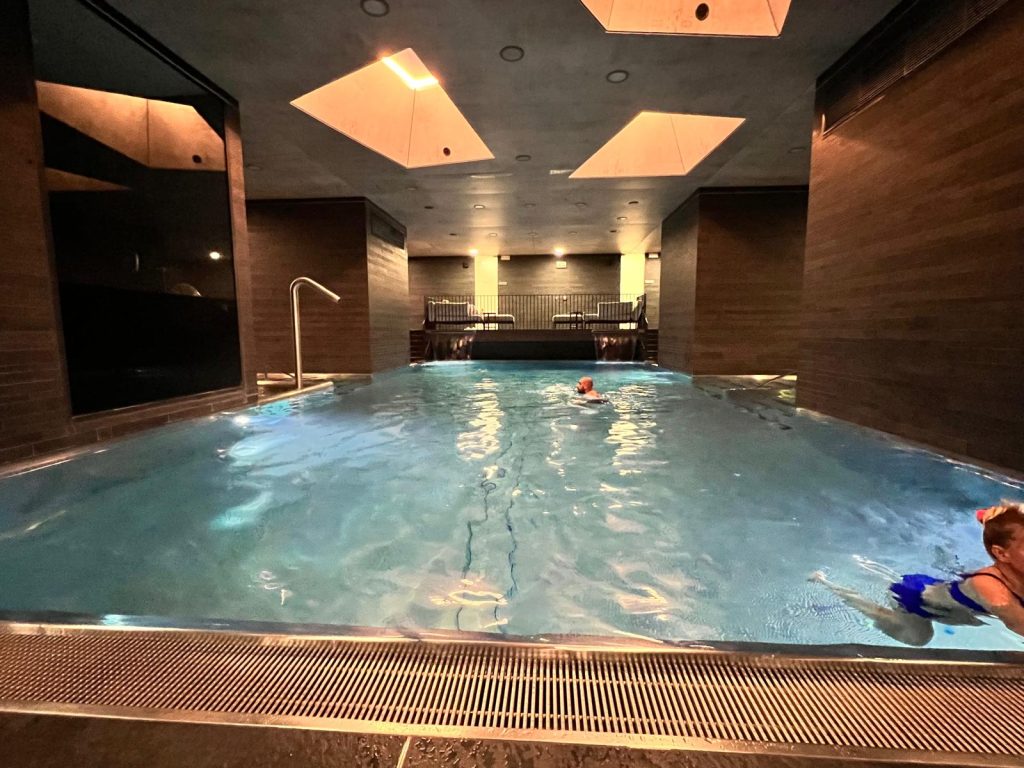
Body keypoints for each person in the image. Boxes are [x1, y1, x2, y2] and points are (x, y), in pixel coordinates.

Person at [811, 503, 1024, 645]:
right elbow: (1018, 623)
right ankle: (831, 586)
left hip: (935, 590)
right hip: (913, 598)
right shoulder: (989, 587)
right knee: (918, 638)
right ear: (1001, 554)